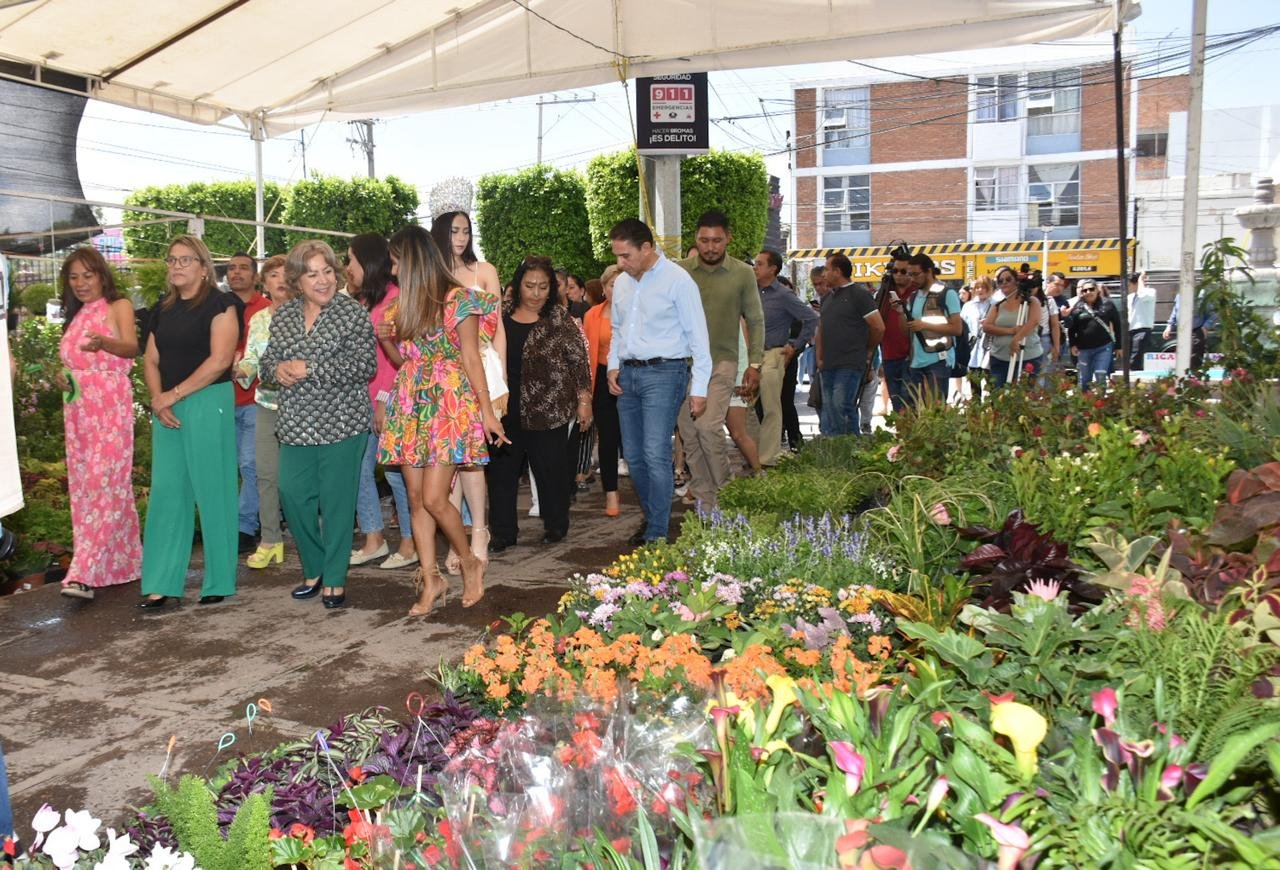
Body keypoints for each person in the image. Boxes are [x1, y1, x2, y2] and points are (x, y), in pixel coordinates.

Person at [378, 226, 506, 615]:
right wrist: (387, 340)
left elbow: (471, 358)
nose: (393, 270)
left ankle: (468, 561)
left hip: (449, 404)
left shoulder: (459, 300)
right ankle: (431, 578)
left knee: (435, 498)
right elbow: (408, 363)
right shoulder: (401, 309)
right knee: (416, 500)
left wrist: (487, 412)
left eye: (397, 261)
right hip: (411, 404)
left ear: (414, 261)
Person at [259, 240, 376, 609]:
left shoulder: (351, 314)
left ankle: (334, 578)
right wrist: (276, 369)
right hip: (295, 425)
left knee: (338, 502)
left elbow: (364, 367)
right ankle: (314, 566)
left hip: (343, 424)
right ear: (296, 279)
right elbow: (266, 365)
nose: (322, 280)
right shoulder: (284, 315)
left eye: (327, 271)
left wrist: (311, 369)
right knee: (292, 495)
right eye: (312, 274)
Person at [138, 235, 239, 610]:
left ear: (203, 266)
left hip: (207, 401)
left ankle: (220, 579)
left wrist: (173, 395)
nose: (177, 266)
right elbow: (150, 359)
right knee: (166, 492)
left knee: (213, 490)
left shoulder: (221, 304)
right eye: (172, 260)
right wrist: (157, 400)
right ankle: (162, 581)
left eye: (186, 260)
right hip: (166, 406)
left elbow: (220, 361)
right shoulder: (161, 309)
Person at [607, 219, 712, 547]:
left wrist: (699, 387)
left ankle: (657, 530)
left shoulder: (678, 281)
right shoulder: (623, 283)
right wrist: (613, 366)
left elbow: (698, 336)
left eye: (626, 256)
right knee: (635, 457)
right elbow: (616, 329)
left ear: (647, 248)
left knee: (654, 452)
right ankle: (654, 519)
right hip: (628, 374)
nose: (620, 263)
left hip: (666, 373)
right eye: (617, 256)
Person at [487, 257, 591, 549]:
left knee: (551, 473)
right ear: (518, 285)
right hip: (505, 409)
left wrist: (585, 401)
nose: (535, 293)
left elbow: (578, 362)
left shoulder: (559, 319)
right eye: (529, 286)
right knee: (502, 475)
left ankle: (556, 525)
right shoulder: (500, 315)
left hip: (549, 409)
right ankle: (503, 533)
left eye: (543, 287)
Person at [55, 246, 141, 600]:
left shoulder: (117, 306)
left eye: (87, 275)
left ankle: (82, 572)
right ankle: (124, 564)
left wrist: (104, 342)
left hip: (109, 409)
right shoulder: (75, 315)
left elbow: (131, 348)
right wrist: (62, 376)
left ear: (102, 275)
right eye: (74, 277)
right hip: (77, 413)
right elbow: (71, 362)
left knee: (104, 483)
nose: (80, 283)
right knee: (87, 490)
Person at [429, 204, 506, 574]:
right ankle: (458, 532)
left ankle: (479, 531)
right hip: (445, 376)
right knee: (450, 458)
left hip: (483, 369)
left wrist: (500, 381)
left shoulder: (484, 271)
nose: (460, 239)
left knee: (472, 459)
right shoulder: (434, 276)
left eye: (465, 231)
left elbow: (498, 329)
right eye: (454, 231)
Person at [677, 211, 764, 508]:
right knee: (689, 435)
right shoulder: (680, 271)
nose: (710, 247)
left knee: (707, 427)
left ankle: (728, 493)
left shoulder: (742, 273)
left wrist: (754, 365)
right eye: (704, 240)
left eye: (717, 240)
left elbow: (755, 320)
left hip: (722, 361)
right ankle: (706, 501)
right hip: (682, 364)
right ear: (695, 240)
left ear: (728, 239)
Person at [346, 233, 417, 570]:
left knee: (396, 475)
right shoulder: (369, 301)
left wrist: (384, 401)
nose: (347, 267)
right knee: (360, 471)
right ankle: (374, 538)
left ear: (368, 261)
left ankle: (409, 542)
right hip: (365, 400)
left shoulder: (396, 299)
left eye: (350, 260)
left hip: (387, 401)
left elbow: (398, 359)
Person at [234, 255, 291, 569]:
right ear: (264, 282)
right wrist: (236, 369)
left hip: (306, 407)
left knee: (299, 479)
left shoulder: (308, 313)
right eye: (273, 275)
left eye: (285, 274)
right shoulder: (258, 319)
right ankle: (270, 539)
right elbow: (252, 361)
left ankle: (312, 537)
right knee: (264, 473)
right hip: (267, 405)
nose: (280, 280)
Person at [753, 248, 817, 464]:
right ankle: (753, 453)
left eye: (760, 264)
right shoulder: (750, 292)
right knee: (749, 409)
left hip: (773, 354)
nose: (755, 267)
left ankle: (767, 458)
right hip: (750, 356)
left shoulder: (783, 294)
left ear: (773, 269)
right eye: (756, 263)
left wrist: (795, 346)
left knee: (771, 407)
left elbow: (811, 319)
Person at [225, 252, 269, 556]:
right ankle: (232, 523)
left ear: (255, 276)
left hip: (256, 398)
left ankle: (245, 526)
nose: (236, 273)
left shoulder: (266, 310)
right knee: (231, 465)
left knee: (250, 464)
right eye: (231, 268)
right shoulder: (218, 307)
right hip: (222, 400)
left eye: (243, 268)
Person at [815, 254, 884, 435]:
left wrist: (868, 350)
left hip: (850, 362)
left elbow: (878, 327)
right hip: (828, 364)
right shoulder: (828, 298)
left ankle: (851, 447)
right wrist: (819, 358)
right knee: (829, 410)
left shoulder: (859, 295)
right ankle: (835, 450)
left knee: (842, 406)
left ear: (838, 272)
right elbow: (821, 329)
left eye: (827, 269)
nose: (824, 274)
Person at [584, 265, 623, 517]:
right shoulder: (592, 315)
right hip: (601, 383)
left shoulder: (638, 313)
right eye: (612, 285)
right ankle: (611, 493)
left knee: (634, 440)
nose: (616, 290)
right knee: (607, 439)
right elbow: (586, 354)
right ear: (604, 288)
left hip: (631, 381)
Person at [903, 253, 963, 403]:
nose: (912, 279)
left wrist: (924, 325)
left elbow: (957, 329)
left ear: (929, 271)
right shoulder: (914, 296)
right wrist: (900, 313)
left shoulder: (947, 294)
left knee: (936, 412)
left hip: (939, 359)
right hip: (916, 360)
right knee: (917, 412)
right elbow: (906, 330)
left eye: (915, 274)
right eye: (909, 275)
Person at [984, 266, 1044, 390]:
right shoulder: (997, 305)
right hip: (1000, 358)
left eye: (1008, 279)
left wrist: (1016, 339)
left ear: (1016, 281)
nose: (1004, 282)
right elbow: (986, 326)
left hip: (1028, 357)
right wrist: (1010, 331)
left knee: (1025, 395)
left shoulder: (1031, 301)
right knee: (999, 394)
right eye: (1000, 281)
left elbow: (1034, 321)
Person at [1064, 278, 1123, 391]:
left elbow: (1117, 324)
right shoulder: (1077, 307)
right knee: (1085, 379)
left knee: (1100, 375)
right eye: (1085, 290)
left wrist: (1118, 346)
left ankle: (1101, 404)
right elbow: (1072, 328)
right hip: (1083, 349)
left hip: (1103, 347)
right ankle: (1086, 403)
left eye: (1091, 289)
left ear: (1097, 290)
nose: (1088, 292)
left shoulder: (1108, 304)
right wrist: (1073, 345)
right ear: (1082, 293)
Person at [875, 248, 915, 411]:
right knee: (897, 402)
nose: (898, 274)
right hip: (889, 356)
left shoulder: (917, 293)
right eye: (895, 271)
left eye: (903, 271)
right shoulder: (884, 294)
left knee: (910, 402)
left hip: (912, 357)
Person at [960, 274, 996, 400]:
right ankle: (975, 413)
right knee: (974, 385)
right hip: (973, 348)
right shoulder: (968, 306)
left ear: (990, 288)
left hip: (990, 348)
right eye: (977, 287)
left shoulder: (996, 304)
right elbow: (962, 325)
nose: (980, 290)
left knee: (991, 384)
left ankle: (992, 411)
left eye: (984, 287)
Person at [1162, 289, 1216, 370]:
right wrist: (1169, 326)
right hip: (1182, 331)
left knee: (1195, 359)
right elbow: (1175, 311)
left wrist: (1205, 327)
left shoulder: (1202, 296)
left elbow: (1212, 314)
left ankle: (1194, 379)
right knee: (1181, 358)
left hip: (1196, 331)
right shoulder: (1179, 295)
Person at [1127, 273, 1157, 370]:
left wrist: (1140, 279)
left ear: (1136, 283)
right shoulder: (1130, 297)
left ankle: (1134, 379)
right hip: (1131, 330)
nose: (1128, 287)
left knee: (1135, 358)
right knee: (1130, 358)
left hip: (1142, 329)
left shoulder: (1149, 292)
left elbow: (1142, 295)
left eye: (1129, 284)